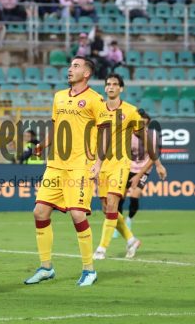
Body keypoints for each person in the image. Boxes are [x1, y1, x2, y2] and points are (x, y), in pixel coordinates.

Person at [24, 56, 105, 287]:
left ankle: (89, 270)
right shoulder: (59, 96)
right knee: (40, 212)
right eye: (70, 65)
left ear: (86, 73)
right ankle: (46, 267)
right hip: (55, 164)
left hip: (80, 165)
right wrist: (43, 145)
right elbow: (56, 125)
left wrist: (99, 163)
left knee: (77, 214)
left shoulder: (95, 99)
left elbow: (105, 133)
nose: (70, 69)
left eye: (76, 66)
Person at [93, 74, 143, 261]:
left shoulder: (130, 111)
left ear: (121, 88)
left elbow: (143, 135)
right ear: (105, 88)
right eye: (108, 84)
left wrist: (157, 161)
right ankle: (131, 240)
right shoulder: (98, 109)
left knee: (113, 204)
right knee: (107, 209)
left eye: (115, 84)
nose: (111, 87)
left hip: (120, 164)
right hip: (102, 165)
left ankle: (101, 249)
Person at [115, 109, 167, 242]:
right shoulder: (127, 134)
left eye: (145, 124)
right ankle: (118, 225)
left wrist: (139, 174)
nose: (142, 127)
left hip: (144, 168)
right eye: (140, 124)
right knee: (120, 197)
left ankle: (129, 220)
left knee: (135, 195)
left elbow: (153, 157)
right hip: (128, 167)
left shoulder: (152, 136)